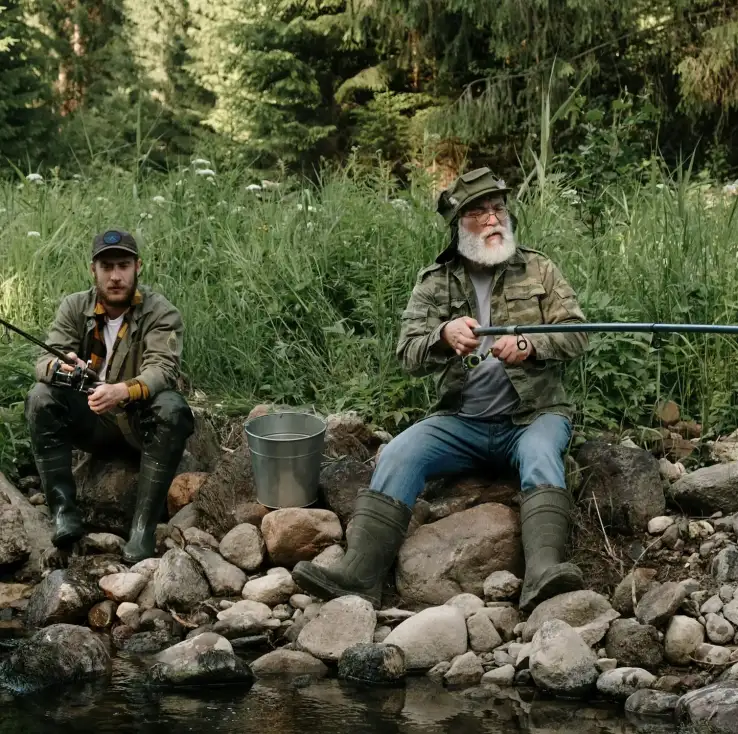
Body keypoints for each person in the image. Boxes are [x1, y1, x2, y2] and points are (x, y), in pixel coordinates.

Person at [293, 167, 589, 612]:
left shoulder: (540, 267)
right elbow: (407, 353)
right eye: (478, 212)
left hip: (534, 416)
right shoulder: (434, 282)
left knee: (541, 455)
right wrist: (443, 335)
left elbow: (578, 334)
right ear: (458, 226)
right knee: (399, 453)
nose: (493, 219)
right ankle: (359, 575)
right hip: (461, 421)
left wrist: (530, 344)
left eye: (497, 209)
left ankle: (543, 573)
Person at [24, 229, 194, 563]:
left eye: (123, 266)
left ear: (137, 267)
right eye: (107, 267)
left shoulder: (162, 312)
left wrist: (121, 391)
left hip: (138, 423)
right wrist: (63, 369)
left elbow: (162, 369)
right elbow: (44, 362)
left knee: (172, 407)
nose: (115, 276)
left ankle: (142, 532)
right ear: (93, 270)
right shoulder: (74, 307)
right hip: (91, 420)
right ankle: (64, 516)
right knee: (40, 397)